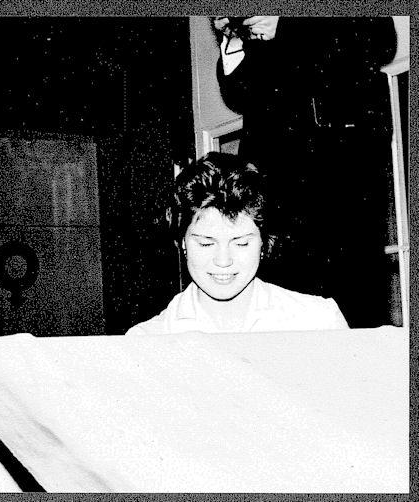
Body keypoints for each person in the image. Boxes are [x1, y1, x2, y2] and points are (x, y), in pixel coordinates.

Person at [211, 16, 397, 328]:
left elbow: (380, 37)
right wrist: (234, 37)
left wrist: (284, 25)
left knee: (349, 296)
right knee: (280, 301)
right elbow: (239, 95)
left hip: (339, 169)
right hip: (273, 178)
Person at [126, 152, 348, 336]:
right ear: (182, 243)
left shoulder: (319, 322)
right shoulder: (146, 341)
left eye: (241, 244)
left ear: (264, 243)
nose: (223, 261)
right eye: (205, 244)